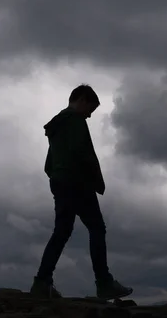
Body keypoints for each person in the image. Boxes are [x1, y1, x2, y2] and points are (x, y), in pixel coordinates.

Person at [30, 84, 133, 300]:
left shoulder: (58, 125)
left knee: (62, 231)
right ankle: (104, 283)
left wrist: (55, 175)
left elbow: (50, 161)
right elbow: (81, 152)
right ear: (82, 100)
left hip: (59, 181)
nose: (89, 116)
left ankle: (41, 282)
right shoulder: (74, 121)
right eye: (90, 110)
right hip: (76, 182)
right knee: (97, 228)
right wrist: (93, 179)